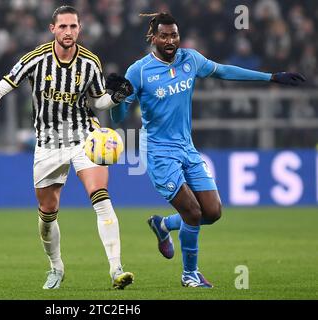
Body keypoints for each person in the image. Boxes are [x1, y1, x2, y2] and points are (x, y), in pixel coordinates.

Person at [109, 12, 305, 288]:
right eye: (163, 36)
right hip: (159, 152)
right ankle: (190, 274)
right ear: (153, 37)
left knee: (212, 213)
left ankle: (163, 225)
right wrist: (118, 100)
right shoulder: (138, 71)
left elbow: (224, 71)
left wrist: (271, 76)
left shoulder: (191, 59)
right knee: (192, 212)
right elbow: (118, 118)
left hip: (187, 149)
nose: (169, 40)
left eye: (174, 35)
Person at [0, 6, 134, 290]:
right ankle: (56, 267)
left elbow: (98, 102)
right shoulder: (35, 59)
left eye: (74, 27)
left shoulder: (90, 62)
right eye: (63, 27)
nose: (69, 32)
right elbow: (2, 87)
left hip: (84, 137)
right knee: (47, 213)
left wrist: (116, 97)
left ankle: (116, 269)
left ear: (79, 29)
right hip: (47, 144)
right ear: (52, 29)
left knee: (101, 197)